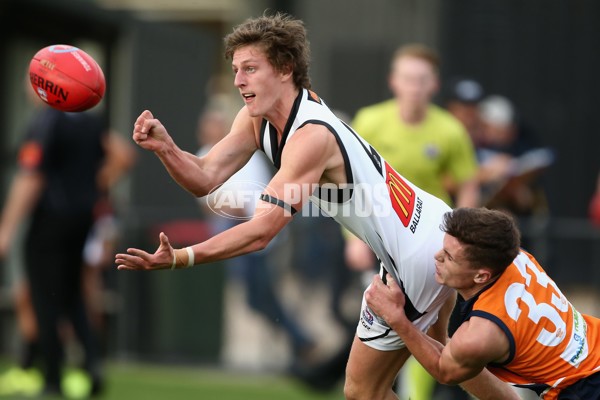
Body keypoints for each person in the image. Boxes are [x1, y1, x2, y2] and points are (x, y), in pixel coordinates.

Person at [115, 12, 519, 400]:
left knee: (364, 390)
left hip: (414, 254)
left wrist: (181, 257)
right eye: (236, 69)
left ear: (286, 67)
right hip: (428, 230)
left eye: (250, 68)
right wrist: (167, 149)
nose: (238, 80)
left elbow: (261, 232)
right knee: (445, 355)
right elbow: (204, 176)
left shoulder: (310, 136)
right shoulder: (260, 118)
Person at [350, 44, 481, 399]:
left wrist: (462, 236)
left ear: (433, 85)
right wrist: (354, 242)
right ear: (394, 81)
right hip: (380, 244)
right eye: (408, 78)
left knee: (420, 336)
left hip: (431, 250)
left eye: (422, 79)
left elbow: (469, 184)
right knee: (386, 348)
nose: (414, 87)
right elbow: (349, 185)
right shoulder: (370, 121)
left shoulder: (450, 129)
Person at [365, 207, 600, 400]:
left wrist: (396, 318)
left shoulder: (482, 334)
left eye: (449, 257)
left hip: (584, 390)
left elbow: (443, 370)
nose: (437, 256)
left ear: (481, 276)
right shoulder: (512, 255)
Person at [0, 85, 131, 396]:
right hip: (83, 219)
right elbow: (123, 156)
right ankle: (92, 367)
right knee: (74, 295)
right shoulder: (90, 120)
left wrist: (6, 228)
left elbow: (31, 177)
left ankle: (53, 378)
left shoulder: (46, 120)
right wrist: (91, 188)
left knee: (43, 298)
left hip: (51, 220)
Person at [195, 98, 316, 366]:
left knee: (261, 295)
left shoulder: (243, 153)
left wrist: (224, 207)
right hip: (235, 238)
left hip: (259, 237)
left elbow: (244, 204)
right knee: (257, 298)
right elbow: (212, 204)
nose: (208, 130)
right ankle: (298, 341)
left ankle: (298, 342)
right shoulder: (206, 154)